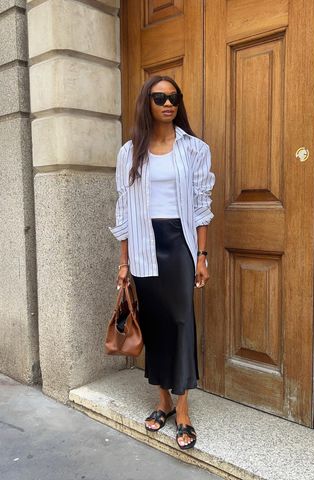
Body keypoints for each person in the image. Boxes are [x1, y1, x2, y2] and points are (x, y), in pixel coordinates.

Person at [109, 75, 215, 450]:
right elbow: (124, 209)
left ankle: (183, 410)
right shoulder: (130, 152)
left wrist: (201, 255)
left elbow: (202, 207)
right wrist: (123, 262)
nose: (168, 103)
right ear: (147, 102)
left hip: (179, 243)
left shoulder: (195, 149)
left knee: (182, 321)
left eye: (173, 97)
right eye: (159, 97)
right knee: (153, 323)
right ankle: (163, 402)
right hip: (142, 245)